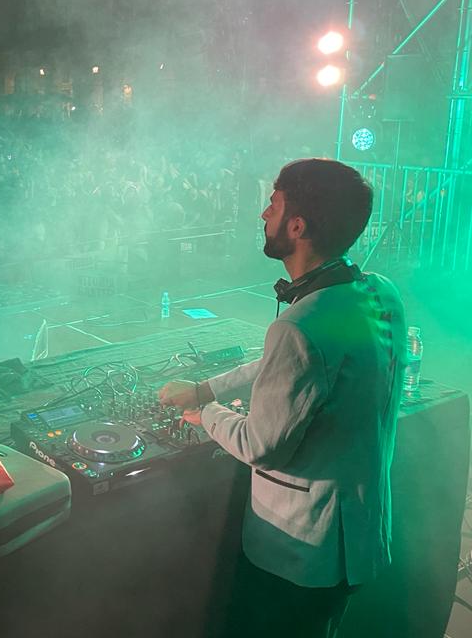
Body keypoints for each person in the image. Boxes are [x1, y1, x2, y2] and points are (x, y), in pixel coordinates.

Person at [158, 158, 407, 638]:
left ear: (297, 225)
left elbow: (260, 444)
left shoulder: (300, 326)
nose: (262, 216)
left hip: (301, 551)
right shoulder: (379, 292)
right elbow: (288, 365)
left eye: (271, 205)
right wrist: (208, 387)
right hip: (361, 534)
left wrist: (203, 412)